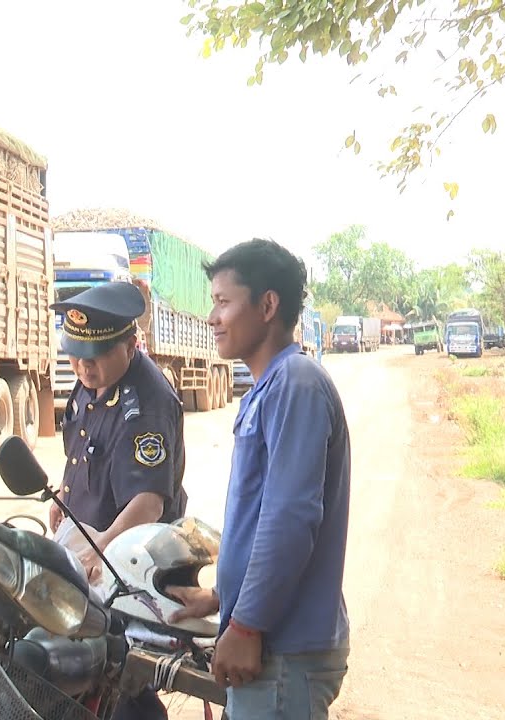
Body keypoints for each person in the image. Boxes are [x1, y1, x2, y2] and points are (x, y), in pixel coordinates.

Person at [170, 238, 352, 719]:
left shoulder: (296, 382)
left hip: (282, 651)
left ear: (268, 305)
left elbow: (289, 518)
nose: (212, 318)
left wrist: (247, 626)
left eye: (223, 302)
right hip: (272, 647)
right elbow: (259, 520)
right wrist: (219, 599)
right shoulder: (270, 388)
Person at [50, 281, 188, 720]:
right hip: (94, 546)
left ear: (130, 345)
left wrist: (101, 548)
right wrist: (64, 492)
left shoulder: (147, 403)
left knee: (120, 678)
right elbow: (87, 445)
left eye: (94, 358)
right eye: (74, 355)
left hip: (133, 563)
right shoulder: (91, 380)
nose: (82, 368)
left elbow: (148, 502)